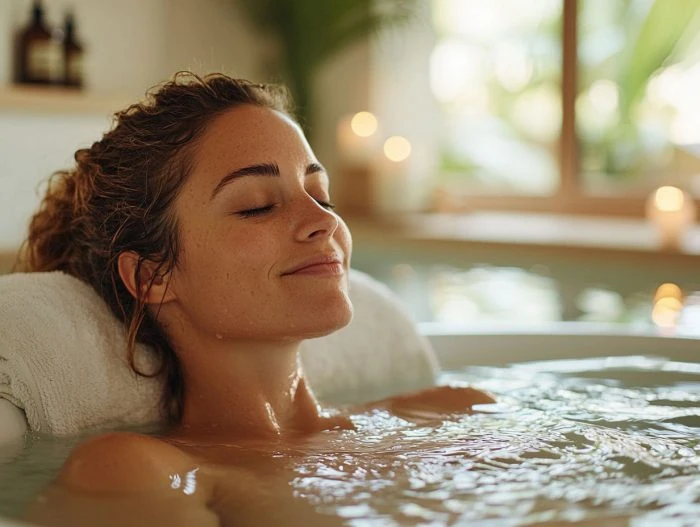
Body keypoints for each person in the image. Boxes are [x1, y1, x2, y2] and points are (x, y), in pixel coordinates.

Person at [20, 72, 494, 526]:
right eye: (257, 206)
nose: (324, 222)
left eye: (320, 194)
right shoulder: (139, 470)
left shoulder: (451, 413)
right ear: (152, 276)